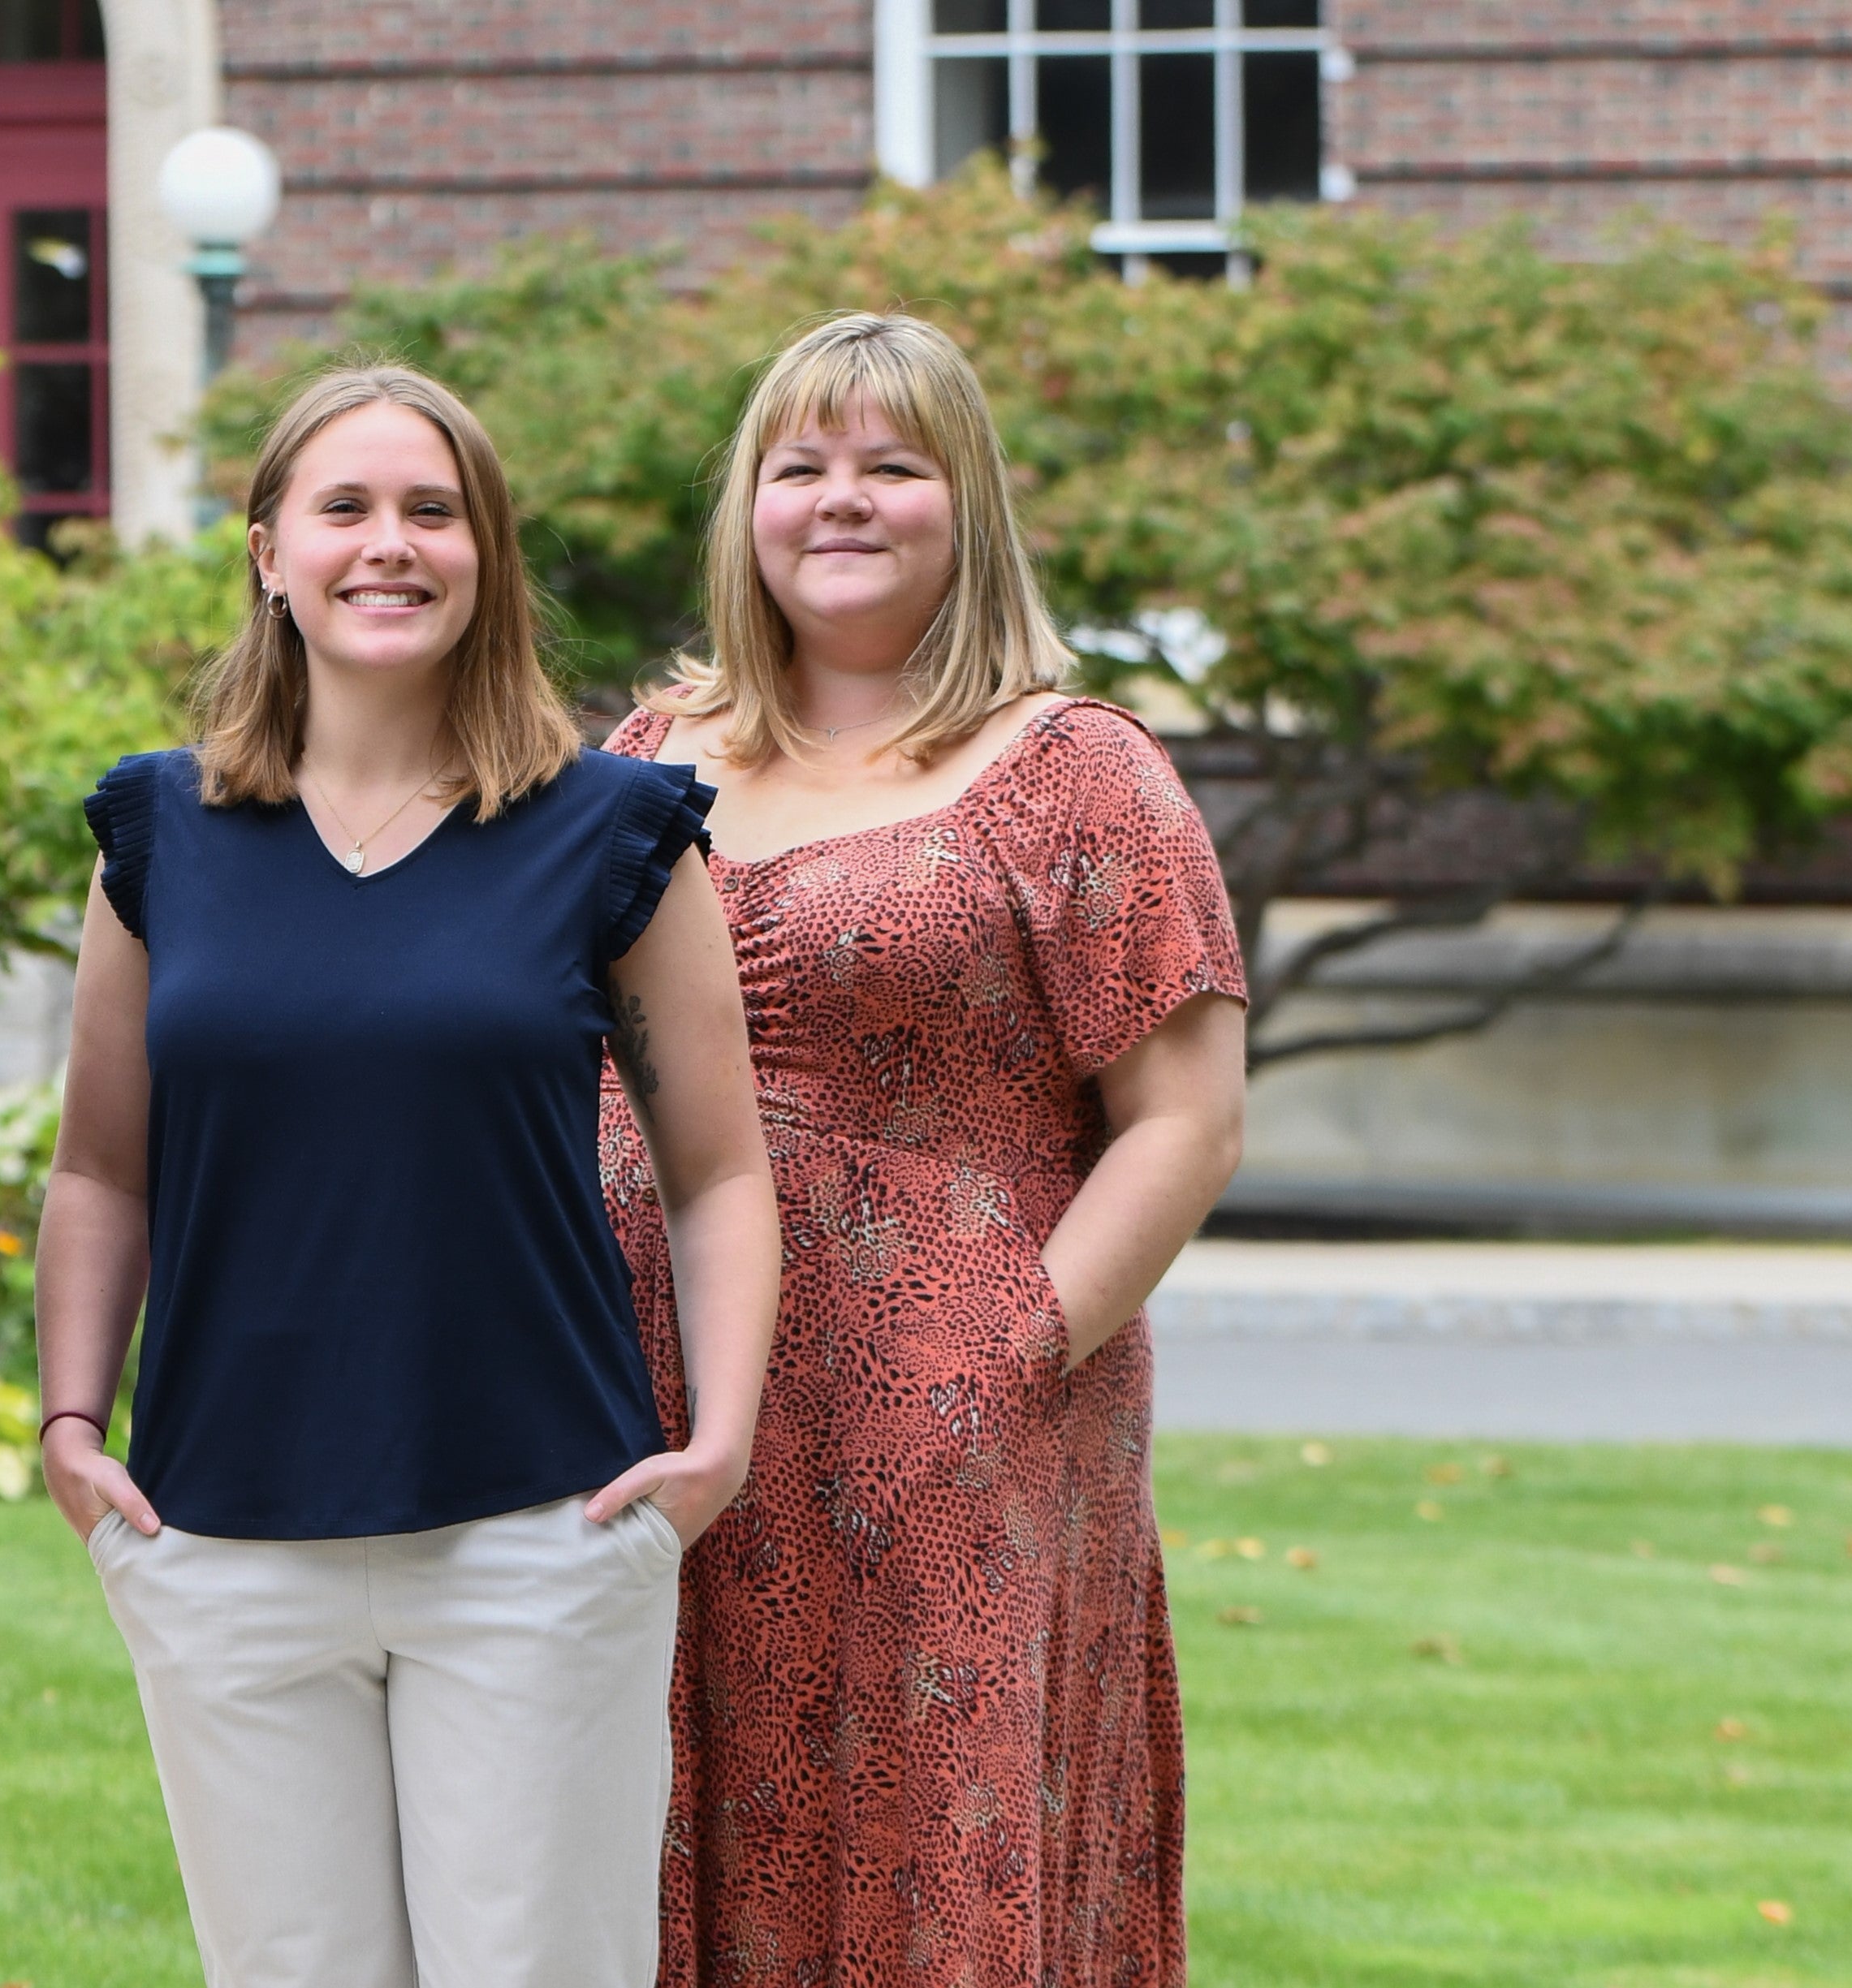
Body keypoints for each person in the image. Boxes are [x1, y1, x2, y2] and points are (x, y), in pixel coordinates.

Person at [31, 364, 786, 1988]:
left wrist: (715, 1440)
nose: (390, 545)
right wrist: (71, 1426)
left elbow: (716, 1169)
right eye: (345, 508)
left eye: (431, 510)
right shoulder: (161, 832)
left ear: (486, 554)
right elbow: (101, 1165)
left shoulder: (604, 831)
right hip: (223, 1536)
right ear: (266, 554)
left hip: (535, 1526)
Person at [595, 311, 1250, 1986]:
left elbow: (1183, 1117)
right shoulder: (640, 758)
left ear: (968, 504)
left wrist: (1008, 1347)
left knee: (921, 1853)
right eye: (798, 465)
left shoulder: (1070, 770)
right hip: (637, 1401)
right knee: (632, 1824)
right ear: (744, 502)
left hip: (945, 1434)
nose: (840, 500)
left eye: (892, 466)